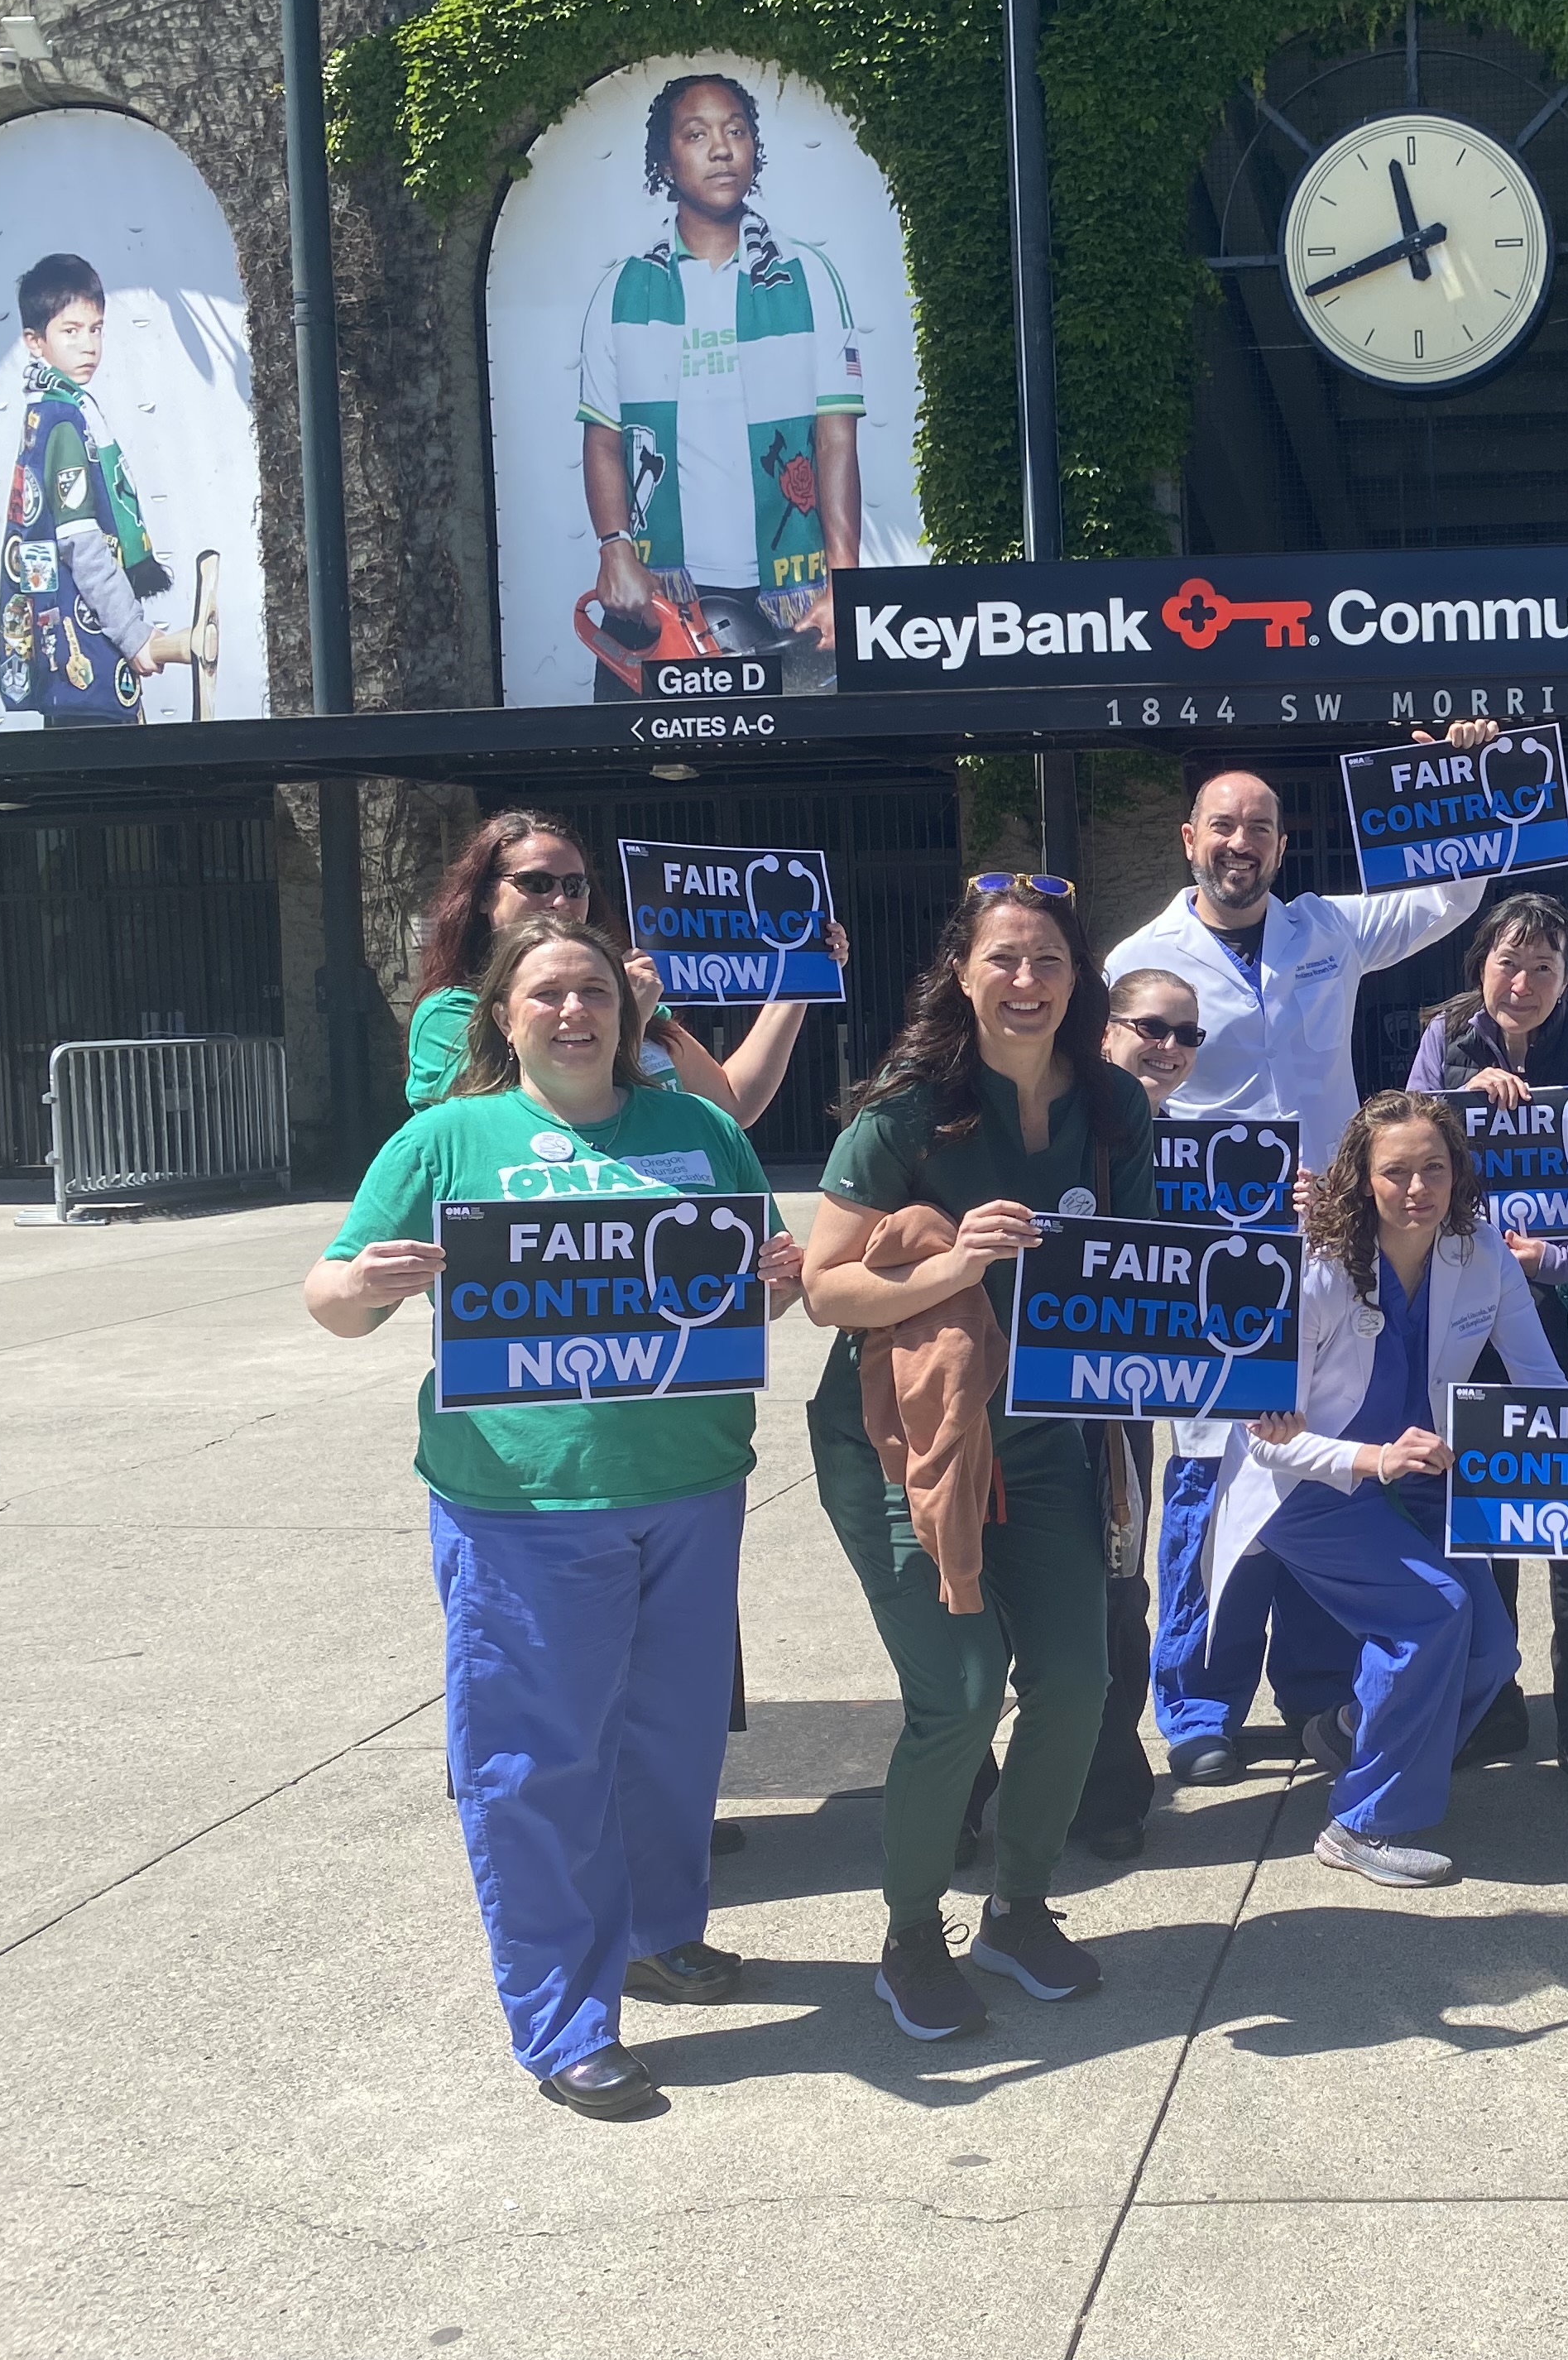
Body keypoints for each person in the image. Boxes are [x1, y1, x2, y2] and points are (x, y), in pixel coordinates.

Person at [304, 915, 802, 2117]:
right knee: (536, 1761)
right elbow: (330, 1294)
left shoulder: (700, 1129)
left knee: (671, 1740)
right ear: (504, 1018)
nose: (575, 1012)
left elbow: (751, 1295)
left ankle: (656, 1934)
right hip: (522, 1501)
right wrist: (360, 1287)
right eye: (549, 996)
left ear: (629, 1015)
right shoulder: (447, 1139)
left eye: (594, 992)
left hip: (688, 1485)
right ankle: (563, 2019)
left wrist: (776, 1285)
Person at [799, 880, 1153, 2041]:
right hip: (904, 1443)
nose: (1026, 980)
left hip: (1047, 1442)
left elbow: (1143, 1277)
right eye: (1003, 958)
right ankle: (910, 1935)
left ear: (1076, 977)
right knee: (955, 1691)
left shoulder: (1113, 1108)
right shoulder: (908, 1110)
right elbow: (824, 1287)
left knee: (1076, 1677)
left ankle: (1019, 1907)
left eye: (1048, 960)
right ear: (962, 971)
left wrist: (1230, 1366)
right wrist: (956, 1268)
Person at [1106, 746, 1493, 1791]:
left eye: (1262, 828)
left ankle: (1318, 1689)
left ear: (1284, 844)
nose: (1242, 844)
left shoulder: (1326, 928)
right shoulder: (1142, 958)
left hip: (1333, 1253)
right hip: (1211, 1265)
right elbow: (1119, 1108)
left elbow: (1452, 897)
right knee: (1211, 1475)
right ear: (1189, 840)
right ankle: (1197, 1704)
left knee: (1321, 1459)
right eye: (1222, 826)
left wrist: (1469, 775)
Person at [1227, 1096, 1568, 1886]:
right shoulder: (1315, 1266)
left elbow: (1544, 1386)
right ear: (1363, 1178)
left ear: (1459, 1173)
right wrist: (1373, 1458)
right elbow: (1262, 1437)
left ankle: (1357, 1730)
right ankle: (1364, 1822)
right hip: (1314, 1490)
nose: (1417, 1187)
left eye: (1434, 1167)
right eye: (1395, 1172)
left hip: (1419, 1483)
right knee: (1433, 1615)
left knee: (1490, 1652)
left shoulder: (1480, 1252)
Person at [1403, 891, 1568, 1802]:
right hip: (1471, 1320)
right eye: (1509, 962)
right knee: (1489, 1521)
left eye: (1543, 966)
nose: (1524, 981)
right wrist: (1456, 1102)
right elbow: (1406, 1156)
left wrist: (1557, 1256)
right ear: (1481, 966)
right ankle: (1496, 1700)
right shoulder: (1445, 1043)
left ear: (1566, 977)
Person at [582, 71, 865, 698]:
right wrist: (614, 549)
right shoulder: (622, 290)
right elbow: (604, 439)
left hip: (795, 594)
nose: (721, 148)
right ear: (666, 158)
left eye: (736, 130)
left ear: (754, 151)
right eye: (697, 133)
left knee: (800, 784)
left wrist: (844, 583)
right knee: (660, 785)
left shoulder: (808, 277)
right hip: (659, 593)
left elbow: (834, 439)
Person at [403, 808, 843, 1125]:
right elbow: (541, 1119)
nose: (560, 901)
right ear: (484, 897)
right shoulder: (452, 1013)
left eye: (576, 885)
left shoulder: (632, 997)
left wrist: (800, 973)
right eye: (536, 883)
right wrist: (629, 1018)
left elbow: (733, 1104)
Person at [1057, 965, 1206, 1864]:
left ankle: (1109, 1785)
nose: (1169, 1048)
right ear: (1105, 1030)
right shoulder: (1058, 1123)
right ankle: (971, 1785)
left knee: (1119, 1587)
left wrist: (1298, 1217)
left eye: (1188, 1036)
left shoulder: (1211, 1148)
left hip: (1121, 1407)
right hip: (1014, 1393)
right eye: (1151, 1027)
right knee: (989, 1592)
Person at [0, 252, 206, 726]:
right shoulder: (65, 420)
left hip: (63, 667)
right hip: (85, 661)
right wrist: (135, 635)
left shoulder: (44, 412)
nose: (88, 345)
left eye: (95, 329)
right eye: (70, 331)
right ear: (35, 341)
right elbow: (82, 544)